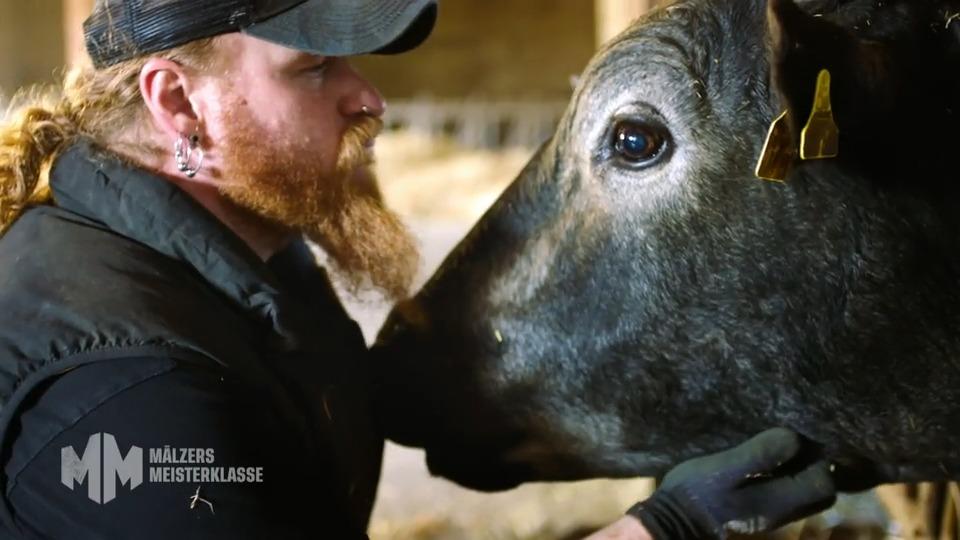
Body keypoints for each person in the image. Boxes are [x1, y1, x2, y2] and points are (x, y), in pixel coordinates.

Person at [0, 1, 839, 538]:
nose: (369, 100)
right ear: (177, 105)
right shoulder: (127, 390)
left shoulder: (254, 263)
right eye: (315, 70)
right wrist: (662, 532)